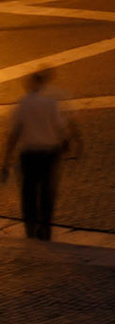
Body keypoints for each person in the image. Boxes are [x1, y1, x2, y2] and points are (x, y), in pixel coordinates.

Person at [2, 69, 80, 240]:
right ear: (42, 85)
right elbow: (60, 128)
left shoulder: (21, 105)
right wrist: (68, 146)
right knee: (47, 192)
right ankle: (45, 227)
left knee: (28, 192)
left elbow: (13, 135)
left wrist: (6, 161)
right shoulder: (50, 104)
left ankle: (31, 227)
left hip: (28, 155)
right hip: (49, 154)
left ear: (28, 86)